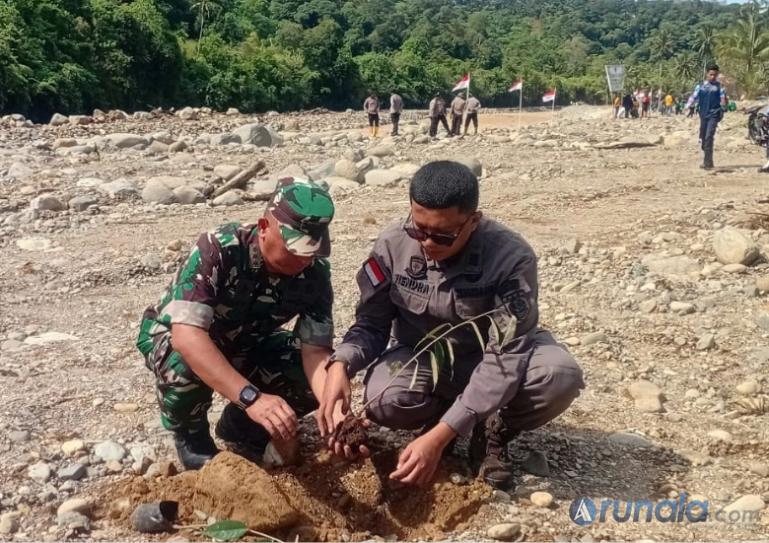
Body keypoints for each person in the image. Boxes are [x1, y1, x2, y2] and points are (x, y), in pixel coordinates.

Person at [317, 161, 584, 490]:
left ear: (473, 221)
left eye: (442, 235)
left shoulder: (511, 258)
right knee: (385, 398)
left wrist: (441, 436)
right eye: (419, 229)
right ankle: (446, 414)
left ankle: (491, 432)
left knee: (558, 377)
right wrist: (341, 365)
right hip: (426, 357)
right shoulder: (392, 245)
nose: (427, 242)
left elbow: (505, 358)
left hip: (496, 357)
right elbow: (371, 324)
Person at [137, 178, 341, 470]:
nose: (303, 261)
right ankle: (190, 435)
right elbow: (186, 336)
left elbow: (315, 351)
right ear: (263, 228)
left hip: (248, 341)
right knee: (181, 362)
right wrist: (252, 398)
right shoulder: (221, 247)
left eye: (312, 251)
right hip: (184, 338)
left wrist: (331, 408)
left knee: (315, 373)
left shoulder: (316, 274)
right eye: (295, 249)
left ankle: (241, 428)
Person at [685, 64, 727, 170]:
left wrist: (723, 106)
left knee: (709, 136)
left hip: (714, 114)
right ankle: (707, 159)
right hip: (703, 114)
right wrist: (687, 106)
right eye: (711, 74)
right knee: (703, 138)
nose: (713, 77)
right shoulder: (700, 86)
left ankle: (708, 163)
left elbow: (722, 99)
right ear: (707, 74)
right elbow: (694, 96)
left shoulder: (720, 87)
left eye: (715, 75)